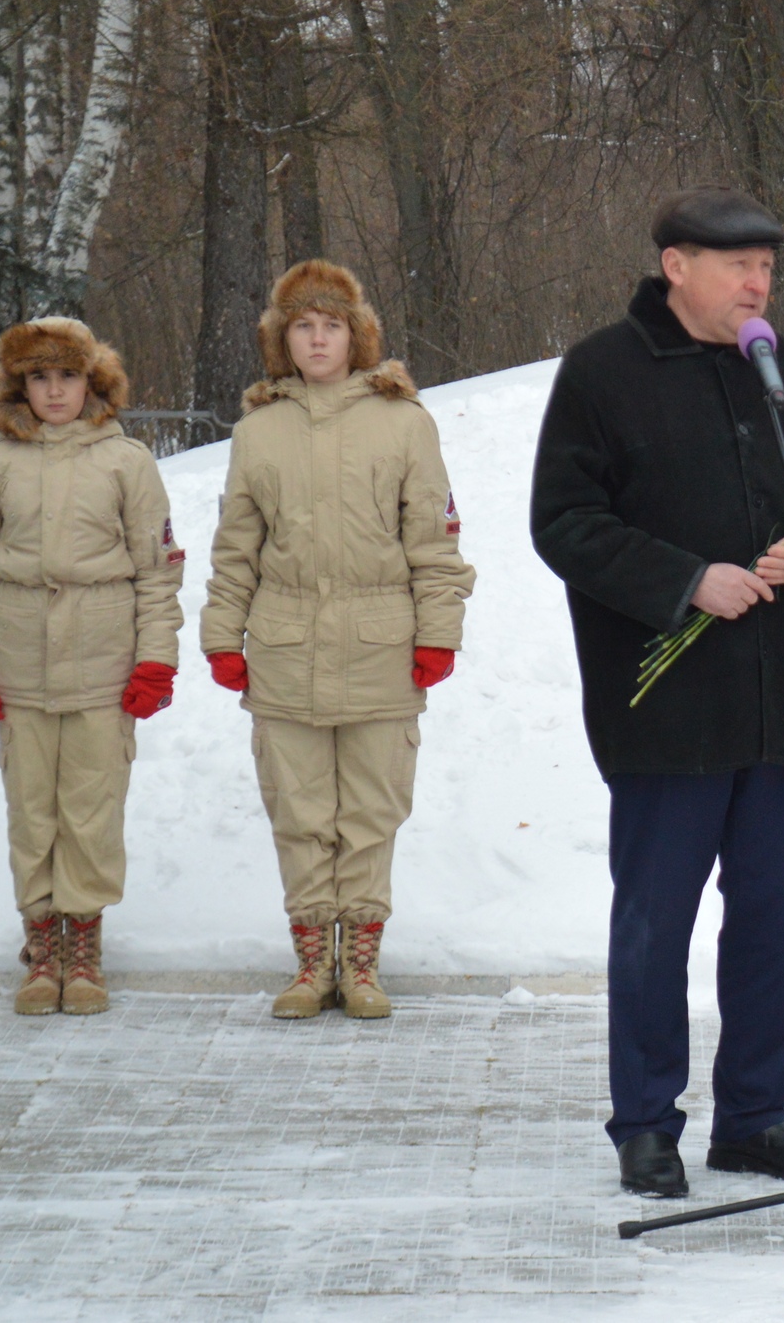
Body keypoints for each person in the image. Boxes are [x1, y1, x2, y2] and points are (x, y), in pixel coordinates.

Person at [528, 187, 784, 1201]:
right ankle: (645, 1122)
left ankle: (754, 1116)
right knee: (657, 919)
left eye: (767, 267)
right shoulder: (603, 373)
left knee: (771, 916)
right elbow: (564, 520)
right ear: (676, 266)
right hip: (665, 709)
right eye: (737, 266)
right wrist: (687, 579)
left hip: (779, 704)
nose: (757, 283)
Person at [201, 261, 474, 1021]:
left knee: (370, 813)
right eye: (301, 326)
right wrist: (224, 635)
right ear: (282, 341)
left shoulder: (405, 423)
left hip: (381, 646)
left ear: (355, 339)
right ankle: (311, 960)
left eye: (330, 326)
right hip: (286, 649)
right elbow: (236, 549)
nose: (316, 339)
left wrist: (437, 633)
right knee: (300, 811)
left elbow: (434, 538)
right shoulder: (258, 432)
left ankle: (361, 963)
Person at [0, 317, 183, 1016]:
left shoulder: (126, 462)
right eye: (39, 378)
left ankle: (84, 946)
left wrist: (154, 661)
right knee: (33, 811)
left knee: (91, 809)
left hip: (102, 664)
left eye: (68, 376)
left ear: (93, 382)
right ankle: (41, 945)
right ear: (20, 386)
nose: (54, 391)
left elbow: (157, 571)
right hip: (18, 663)